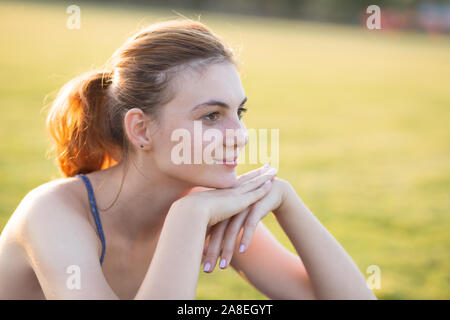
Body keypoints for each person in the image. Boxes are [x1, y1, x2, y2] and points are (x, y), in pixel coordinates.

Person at [0, 19, 376, 300]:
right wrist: (187, 219)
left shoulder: (205, 201)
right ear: (142, 130)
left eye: (238, 113)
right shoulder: (51, 214)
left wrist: (287, 200)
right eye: (211, 116)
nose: (240, 136)